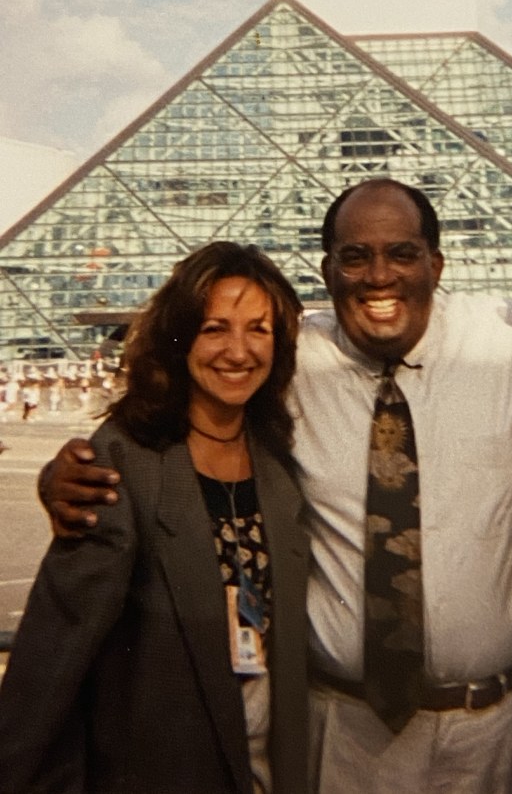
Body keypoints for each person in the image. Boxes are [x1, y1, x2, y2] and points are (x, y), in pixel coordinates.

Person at [38, 179, 512, 794]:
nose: (380, 276)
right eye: (356, 256)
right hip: (343, 730)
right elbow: (186, 397)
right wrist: (78, 465)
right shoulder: (288, 353)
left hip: (495, 728)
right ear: (328, 269)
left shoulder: (511, 339)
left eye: (403, 253)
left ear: (436, 263)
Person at [0, 242, 310, 794]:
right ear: (179, 335)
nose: (238, 351)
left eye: (259, 329)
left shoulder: (280, 454)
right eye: (215, 328)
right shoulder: (123, 459)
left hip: (269, 768)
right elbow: (52, 657)